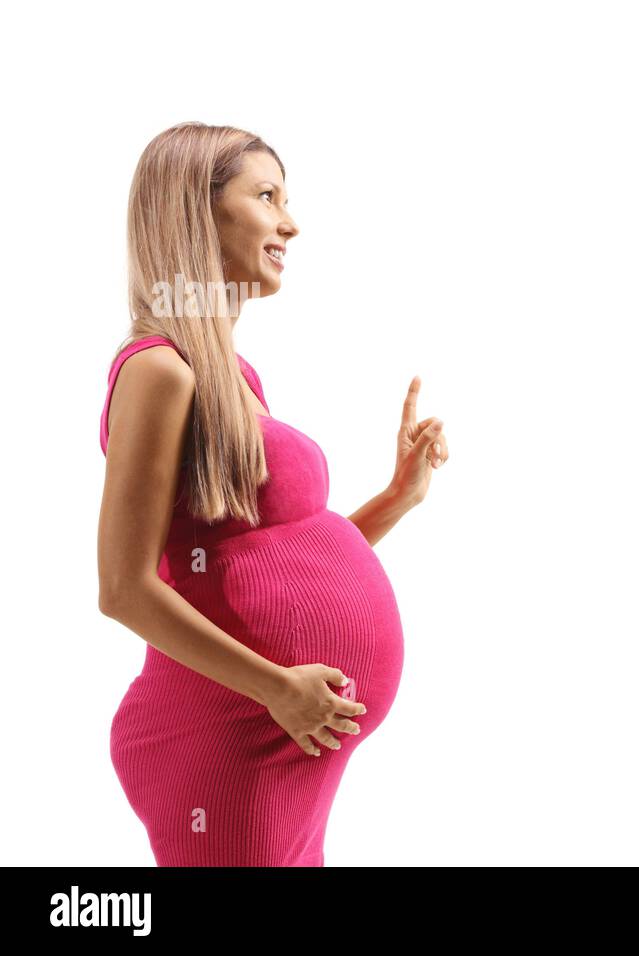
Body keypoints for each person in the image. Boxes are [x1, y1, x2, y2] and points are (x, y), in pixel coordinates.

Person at [97, 122, 449, 865]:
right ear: (196, 209)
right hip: (228, 740)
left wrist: (397, 498)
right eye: (266, 196)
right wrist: (277, 689)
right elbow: (123, 589)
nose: (290, 222)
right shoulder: (159, 371)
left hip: (281, 737)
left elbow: (263, 560)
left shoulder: (232, 375)